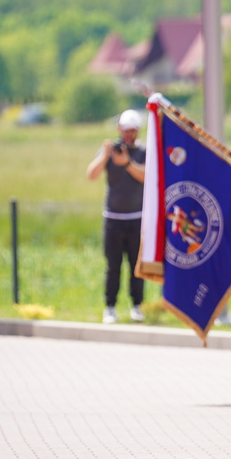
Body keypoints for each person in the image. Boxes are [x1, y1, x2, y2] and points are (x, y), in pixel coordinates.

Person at [86, 109, 146, 324]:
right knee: (113, 265)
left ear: (138, 131)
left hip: (136, 217)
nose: (128, 136)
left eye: (132, 131)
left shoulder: (143, 151)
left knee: (136, 265)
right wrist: (105, 155)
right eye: (125, 131)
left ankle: (137, 305)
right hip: (113, 217)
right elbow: (91, 174)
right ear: (118, 129)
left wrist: (127, 164)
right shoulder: (110, 150)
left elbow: (147, 175)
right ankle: (110, 306)